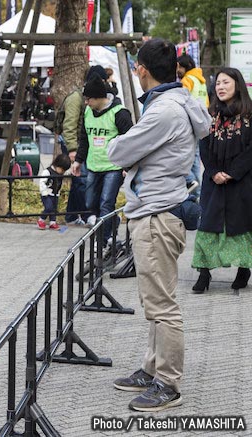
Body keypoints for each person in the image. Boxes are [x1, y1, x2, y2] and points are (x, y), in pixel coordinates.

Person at [107, 38, 211, 412]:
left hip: (155, 213)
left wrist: (123, 142)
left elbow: (118, 151)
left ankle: (167, 382)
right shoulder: (179, 101)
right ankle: (153, 369)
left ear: (141, 70)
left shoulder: (163, 110)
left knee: (162, 305)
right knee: (156, 299)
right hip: (160, 208)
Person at [191, 67, 252, 293]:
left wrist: (233, 172)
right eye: (218, 83)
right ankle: (204, 273)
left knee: (242, 227)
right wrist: (214, 171)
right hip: (213, 181)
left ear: (237, 84)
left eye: (226, 82)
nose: (221, 87)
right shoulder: (210, 114)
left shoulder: (249, 114)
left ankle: (244, 269)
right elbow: (204, 145)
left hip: (241, 181)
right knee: (208, 226)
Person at [72, 74, 133, 242]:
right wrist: (78, 160)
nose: (86, 102)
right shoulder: (88, 112)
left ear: (100, 98)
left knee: (106, 202)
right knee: (90, 203)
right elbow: (84, 138)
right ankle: (113, 221)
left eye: (89, 99)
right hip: (93, 165)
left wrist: (128, 167)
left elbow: (130, 142)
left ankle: (104, 240)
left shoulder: (119, 113)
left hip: (113, 167)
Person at [55, 65, 107, 225]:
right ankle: (86, 215)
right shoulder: (75, 99)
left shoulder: (83, 97)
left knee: (78, 182)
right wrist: (72, 150)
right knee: (83, 180)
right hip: (74, 144)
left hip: (80, 144)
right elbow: (69, 126)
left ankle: (71, 216)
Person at [177, 53, 210, 200]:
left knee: (182, 154)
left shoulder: (187, 80)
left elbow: (182, 99)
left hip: (189, 122)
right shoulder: (201, 81)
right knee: (196, 158)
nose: (177, 70)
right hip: (201, 123)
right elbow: (207, 102)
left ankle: (191, 182)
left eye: (178, 67)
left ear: (184, 67)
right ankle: (198, 190)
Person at [38, 154, 71, 231]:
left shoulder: (61, 173)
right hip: (47, 193)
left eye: (64, 170)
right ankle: (41, 219)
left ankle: (52, 222)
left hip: (55, 194)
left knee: (54, 209)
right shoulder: (48, 172)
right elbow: (42, 182)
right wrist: (44, 193)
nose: (62, 172)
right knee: (48, 207)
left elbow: (67, 174)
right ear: (56, 165)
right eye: (62, 169)